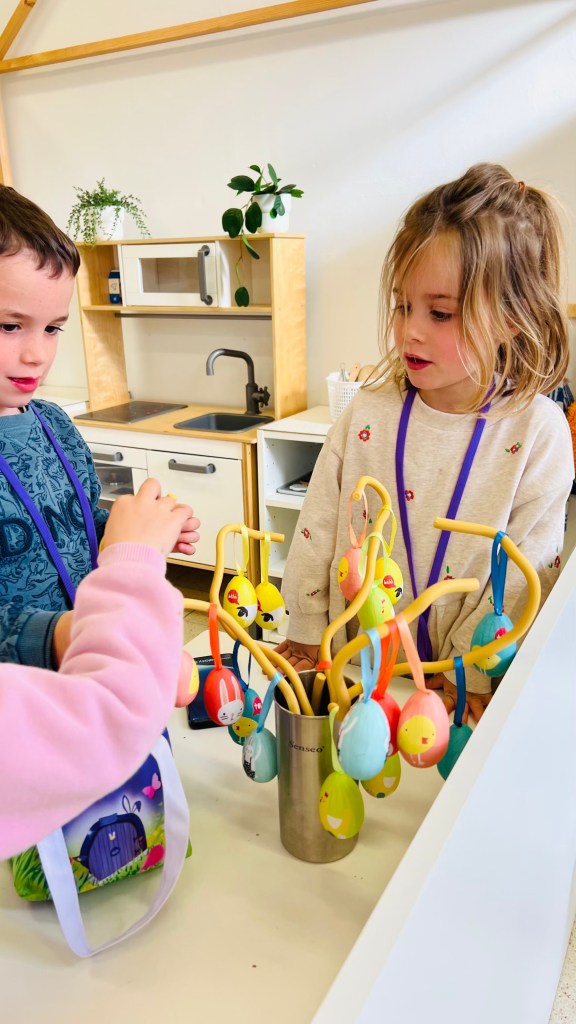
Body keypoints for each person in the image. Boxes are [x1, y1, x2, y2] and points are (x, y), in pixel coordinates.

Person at [279, 163, 575, 723]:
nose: (411, 330)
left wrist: (471, 670)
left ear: (511, 318)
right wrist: (306, 626)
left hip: (465, 690)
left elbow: (526, 570)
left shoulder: (538, 432)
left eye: (440, 313)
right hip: (358, 671)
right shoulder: (368, 412)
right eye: (402, 305)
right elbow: (318, 524)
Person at [0, 184, 199, 669]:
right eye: (9, 326)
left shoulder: (55, 424)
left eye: (53, 328)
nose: (38, 354)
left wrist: (134, 537)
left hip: (89, 669)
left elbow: (76, 527)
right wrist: (64, 633)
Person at [1, 478, 195, 860]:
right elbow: (115, 716)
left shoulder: (60, 435)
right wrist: (133, 560)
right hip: (73, 686)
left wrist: (130, 530)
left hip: (99, 659)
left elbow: (78, 518)